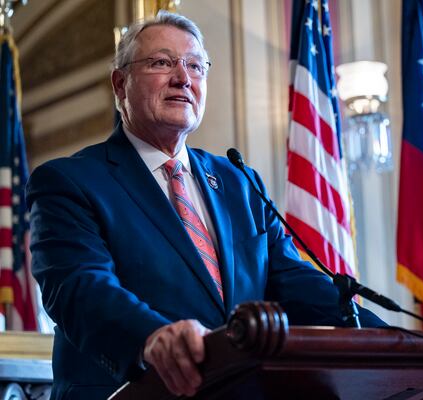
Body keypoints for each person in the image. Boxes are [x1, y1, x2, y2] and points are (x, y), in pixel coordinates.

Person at [26, 11, 384, 400]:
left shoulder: (237, 181)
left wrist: (392, 341)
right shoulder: (70, 181)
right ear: (120, 83)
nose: (183, 78)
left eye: (195, 66)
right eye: (162, 63)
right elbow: (82, 290)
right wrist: (152, 337)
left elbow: (297, 284)